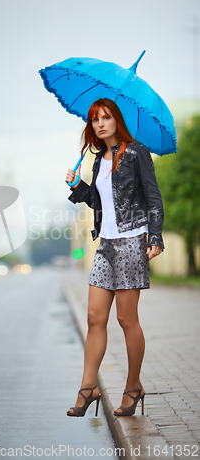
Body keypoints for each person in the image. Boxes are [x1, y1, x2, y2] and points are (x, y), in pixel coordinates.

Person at [65, 98, 164, 417]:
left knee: (125, 319)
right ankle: (88, 387)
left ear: (116, 120)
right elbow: (97, 201)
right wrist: (77, 186)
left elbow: (153, 196)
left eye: (106, 117)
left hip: (132, 241)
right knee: (94, 317)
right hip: (105, 246)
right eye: (95, 119)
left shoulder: (136, 152)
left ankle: (133, 386)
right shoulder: (100, 158)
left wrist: (156, 235)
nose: (100, 124)